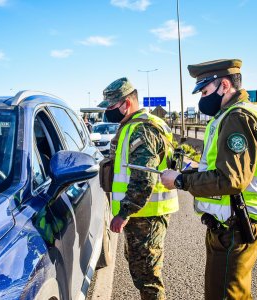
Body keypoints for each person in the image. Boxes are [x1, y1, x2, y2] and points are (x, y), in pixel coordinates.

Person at [160, 59, 257, 299]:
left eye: (205, 91)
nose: (202, 99)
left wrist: (180, 181)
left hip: (236, 225)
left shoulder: (238, 117)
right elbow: (217, 168)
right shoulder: (229, 115)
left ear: (225, 85)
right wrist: (184, 175)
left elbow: (231, 179)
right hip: (230, 224)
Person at [99, 77, 179, 299]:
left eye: (112, 107)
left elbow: (143, 179)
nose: (109, 112)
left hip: (146, 215)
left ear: (127, 103)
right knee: (142, 273)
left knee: (148, 280)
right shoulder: (134, 125)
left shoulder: (142, 129)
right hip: (142, 214)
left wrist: (123, 213)